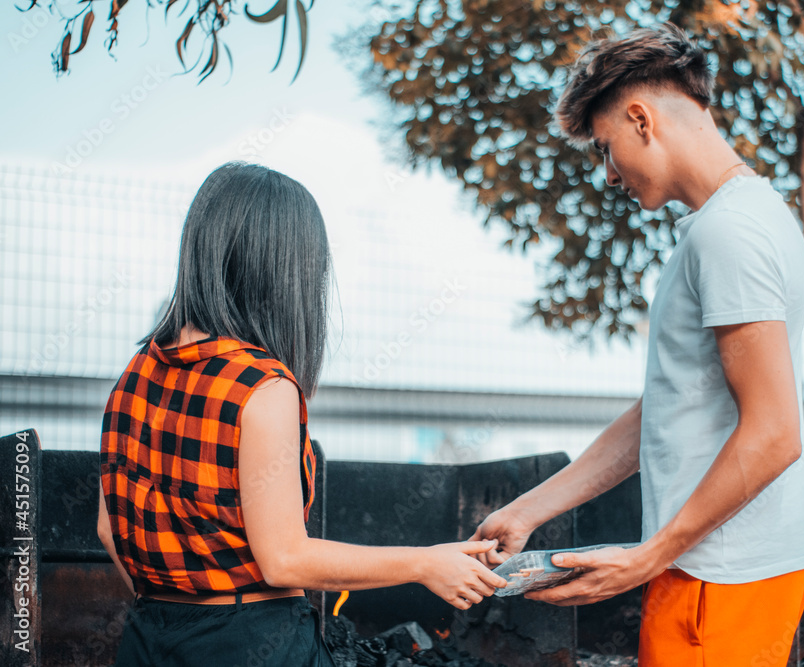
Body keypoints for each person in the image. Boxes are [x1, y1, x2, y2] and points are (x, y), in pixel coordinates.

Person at [470, 24, 804, 666]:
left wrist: (645, 557)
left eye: (606, 149)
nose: (608, 175)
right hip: (716, 569)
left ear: (640, 119)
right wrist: (529, 510)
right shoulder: (739, 219)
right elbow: (666, 407)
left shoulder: (729, 234)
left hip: (720, 576)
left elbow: (774, 434)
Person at [97, 162, 506, 667]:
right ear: (287, 270)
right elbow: (285, 557)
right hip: (251, 642)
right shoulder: (260, 385)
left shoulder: (133, 375)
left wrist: (176, 603)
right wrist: (425, 564)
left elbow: (106, 531)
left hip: (146, 639)